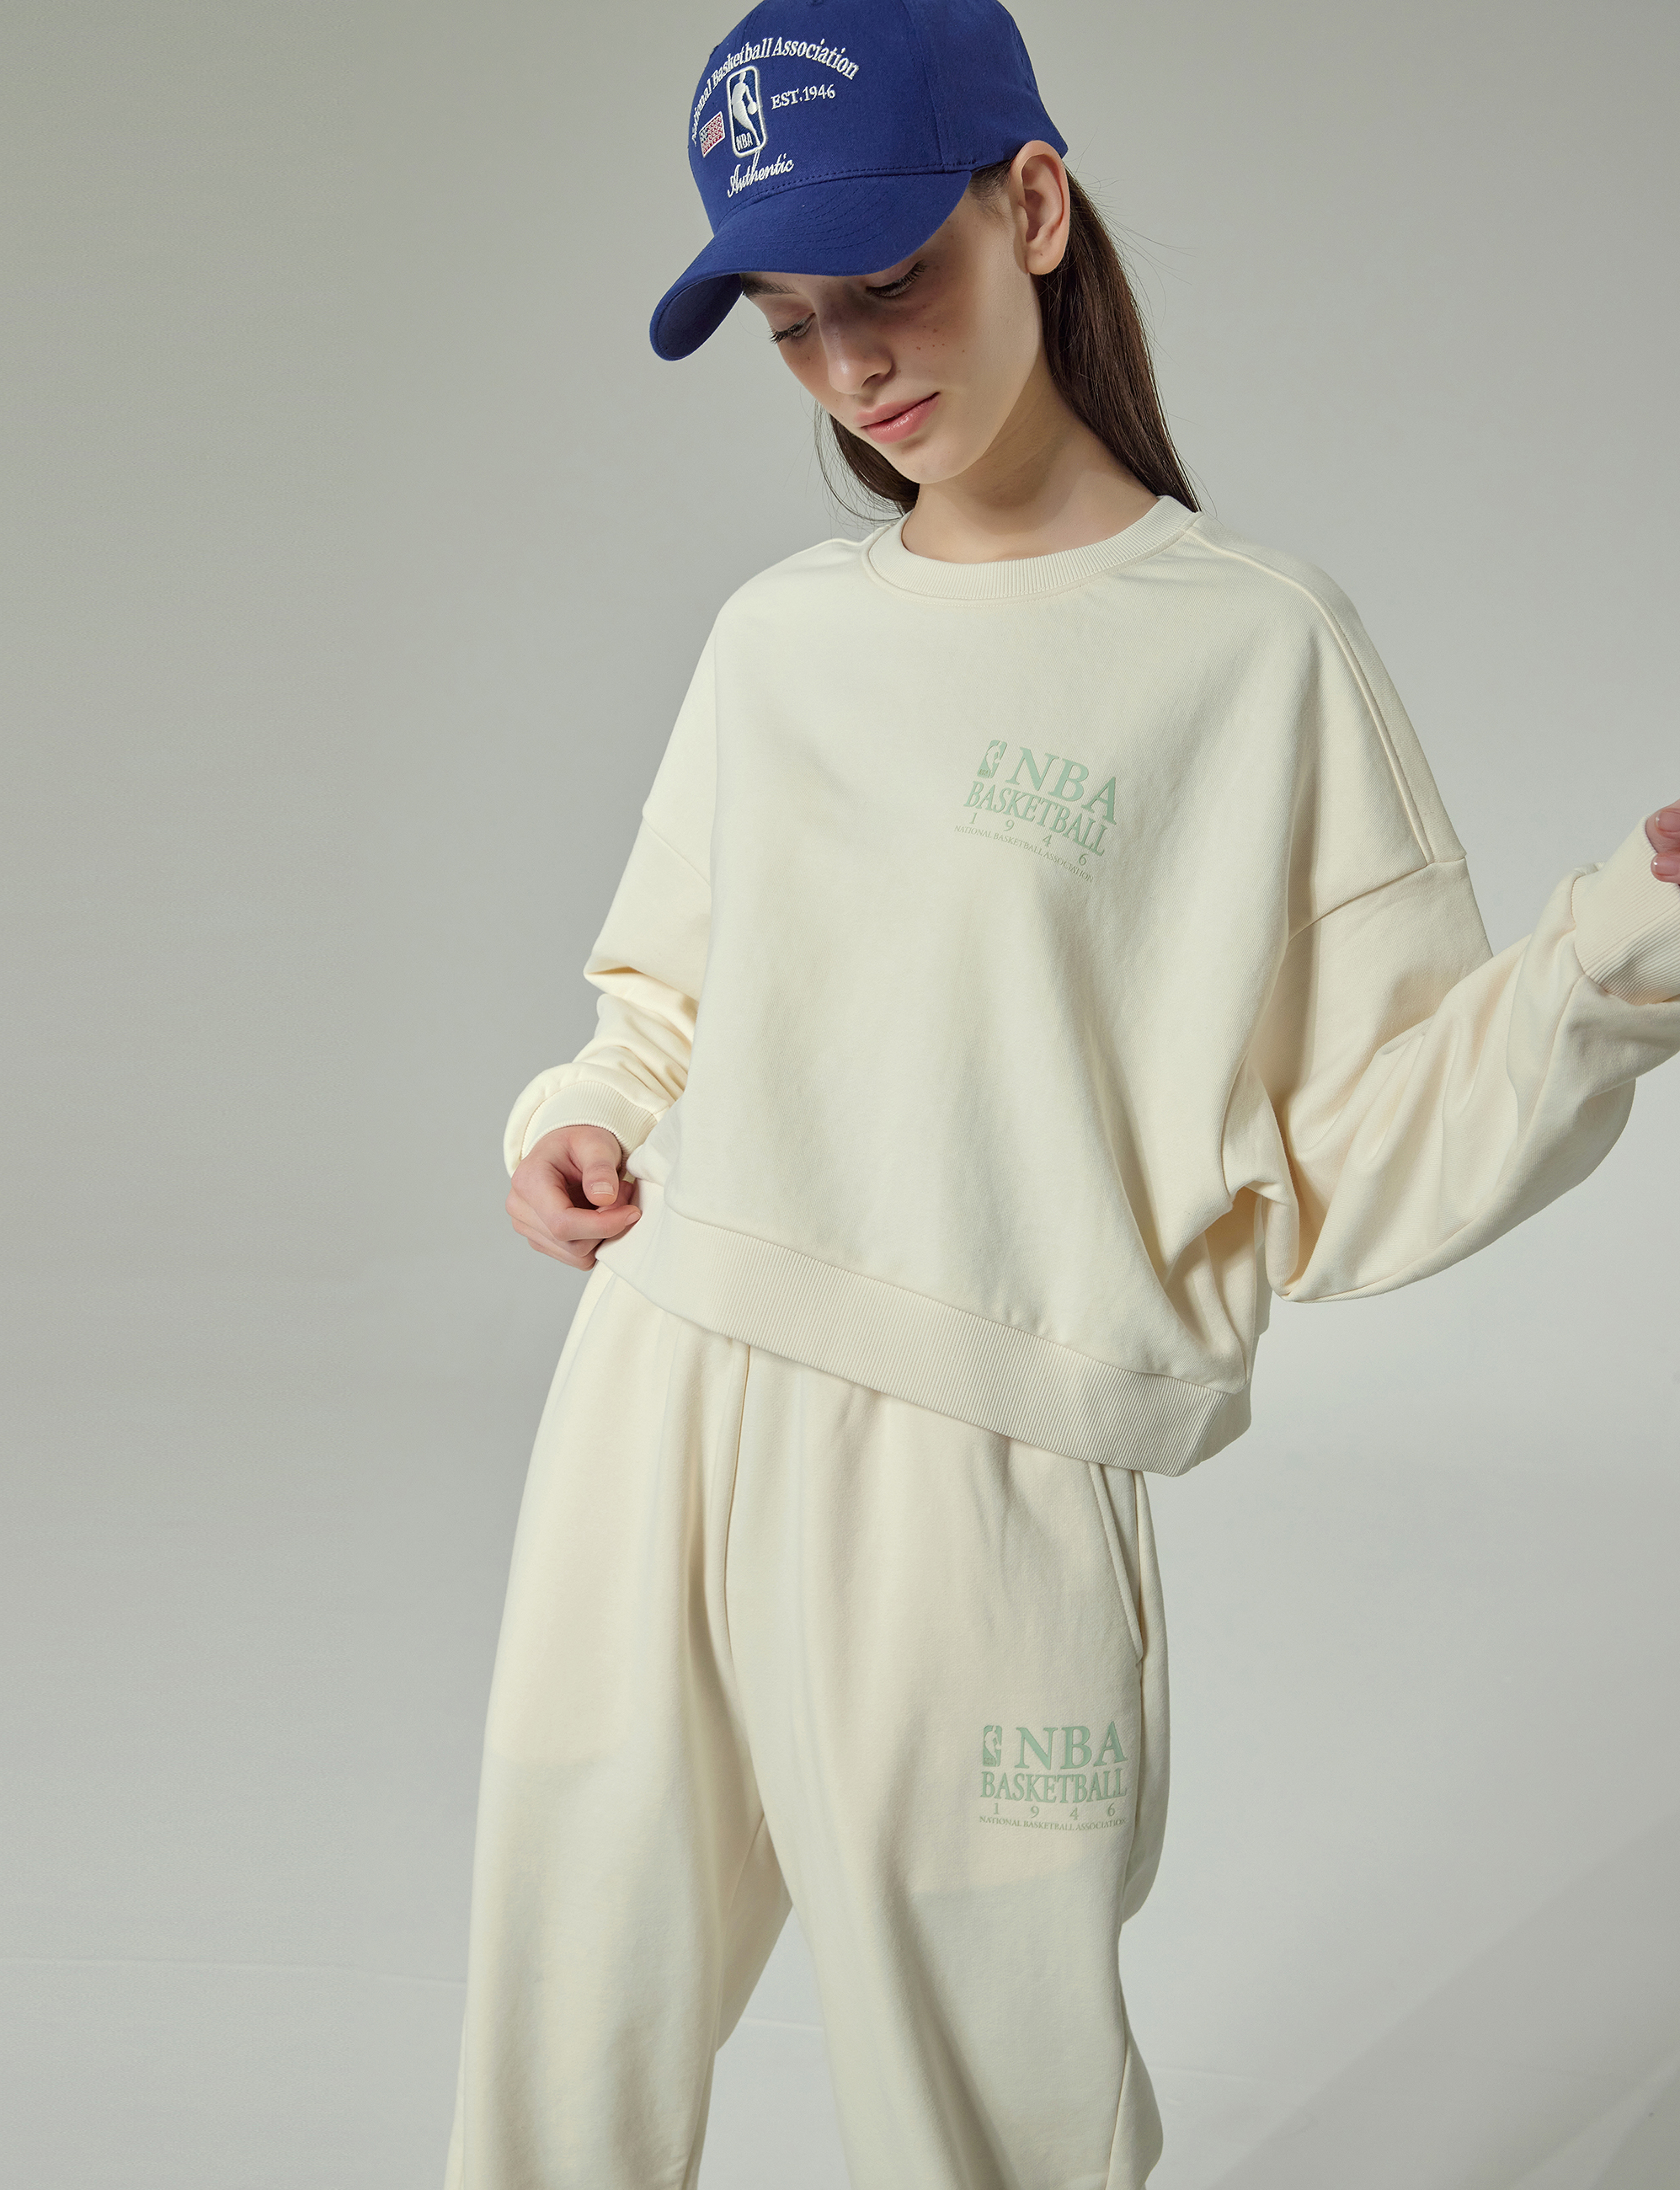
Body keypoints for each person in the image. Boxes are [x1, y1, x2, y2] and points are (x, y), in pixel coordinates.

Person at [443, 3, 1680, 2184]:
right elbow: (664, 998)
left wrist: (1619, 954)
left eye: (887, 282)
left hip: (982, 1464)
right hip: (657, 1393)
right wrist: (584, 1112)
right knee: (562, 2035)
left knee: (990, 2108)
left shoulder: (1254, 651)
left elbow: (1363, 1149)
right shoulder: (777, 641)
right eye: (790, 326)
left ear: (1032, 206)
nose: (852, 370)